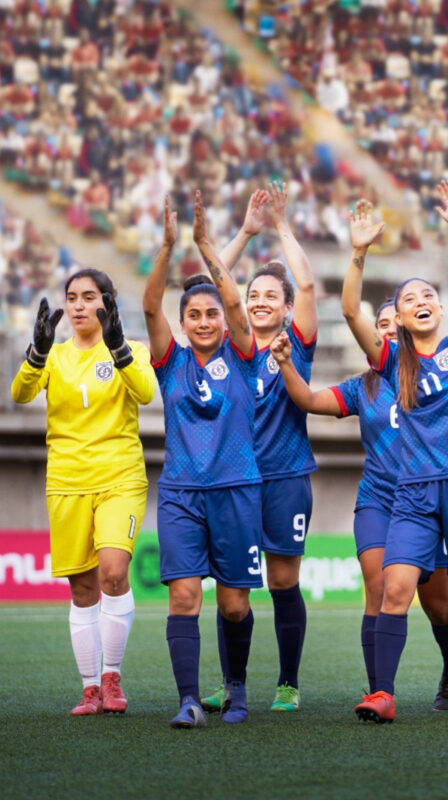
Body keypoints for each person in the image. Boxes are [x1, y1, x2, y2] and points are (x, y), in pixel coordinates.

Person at [347, 184, 448, 723]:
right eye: (410, 299)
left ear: (440, 307)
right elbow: (350, 310)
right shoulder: (392, 362)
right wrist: (360, 252)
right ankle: (383, 694)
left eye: (427, 295)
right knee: (395, 588)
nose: (421, 302)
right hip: (413, 491)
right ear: (403, 317)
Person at [270, 296, 448, 712]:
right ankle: (380, 691)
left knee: (437, 605)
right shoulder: (363, 387)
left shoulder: (440, 377)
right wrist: (287, 363)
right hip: (379, 500)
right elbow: (308, 400)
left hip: (430, 500)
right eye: (383, 323)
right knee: (377, 589)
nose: (391, 329)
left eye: (398, 322)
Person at [11, 269, 156, 716]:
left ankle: (112, 677)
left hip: (120, 478)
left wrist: (117, 349)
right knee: (82, 588)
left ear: (106, 304)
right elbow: (19, 394)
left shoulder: (132, 351)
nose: (76, 306)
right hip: (67, 482)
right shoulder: (53, 357)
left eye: (87, 297)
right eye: (71, 297)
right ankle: (89, 688)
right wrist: (35, 352)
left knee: (113, 572)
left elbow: (147, 393)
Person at [143, 192, 262, 728]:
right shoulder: (170, 363)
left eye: (211, 312)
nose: (204, 320)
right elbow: (150, 307)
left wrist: (205, 245)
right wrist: (168, 247)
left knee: (234, 605)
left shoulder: (241, 353)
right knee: (184, 597)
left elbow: (237, 304)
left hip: (237, 489)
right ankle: (188, 699)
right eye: (194, 314)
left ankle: (236, 688)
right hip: (181, 494)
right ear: (184, 322)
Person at [200, 182, 318, 714]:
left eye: (272, 295)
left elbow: (310, 286)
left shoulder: (298, 345)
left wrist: (283, 227)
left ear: (287, 307)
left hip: (287, 477)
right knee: (234, 586)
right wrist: (246, 231)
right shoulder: (232, 344)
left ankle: (289, 682)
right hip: (236, 481)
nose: (261, 301)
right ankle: (232, 682)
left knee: (283, 579)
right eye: (253, 296)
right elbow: (209, 283)